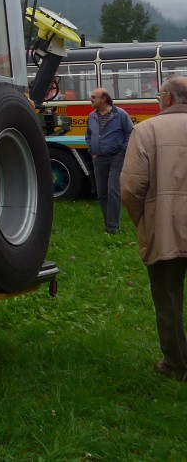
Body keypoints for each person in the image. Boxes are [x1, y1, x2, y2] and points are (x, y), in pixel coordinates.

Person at [120, 77, 187, 381]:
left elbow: (132, 187)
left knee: (168, 299)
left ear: (170, 99)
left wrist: (143, 221)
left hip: (165, 229)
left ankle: (176, 364)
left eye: (160, 95)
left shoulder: (145, 130)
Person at [86, 88, 134, 234]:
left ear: (104, 99)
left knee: (113, 190)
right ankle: (109, 225)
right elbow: (88, 135)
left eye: (94, 97)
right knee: (102, 193)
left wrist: (122, 152)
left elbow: (130, 133)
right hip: (98, 158)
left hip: (116, 158)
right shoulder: (92, 116)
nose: (91, 99)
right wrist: (91, 150)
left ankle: (113, 227)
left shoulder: (120, 115)